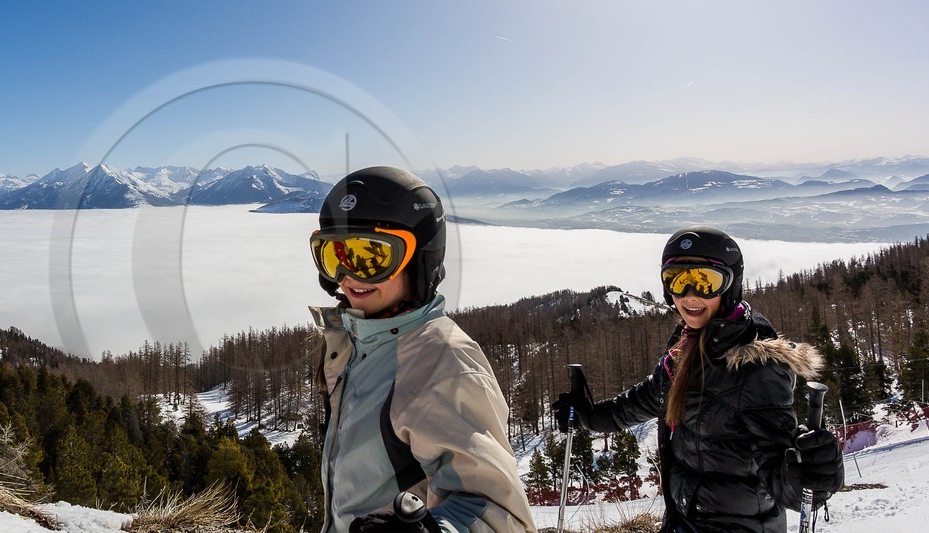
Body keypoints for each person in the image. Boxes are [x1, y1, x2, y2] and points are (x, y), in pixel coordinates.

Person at [551, 226, 845, 532]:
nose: (689, 295)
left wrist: (815, 474)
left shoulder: (757, 370)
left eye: (706, 282)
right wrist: (588, 415)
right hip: (684, 522)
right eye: (678, 280)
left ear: (731, 285)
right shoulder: (687, 346)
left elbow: (780, 480)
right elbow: (644, 400)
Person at [308, 166, 537, 533]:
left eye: (370, 258)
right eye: (334, 256)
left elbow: (497, 510)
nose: (348, 276)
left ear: (418, 260)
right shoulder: (355, 345)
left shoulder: (443, 362)